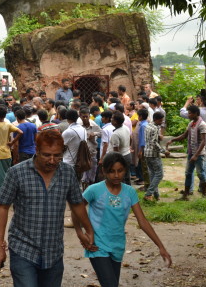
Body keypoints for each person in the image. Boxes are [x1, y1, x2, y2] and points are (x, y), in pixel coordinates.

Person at [0, 130, 95, 287]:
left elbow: (77, 204)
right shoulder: (17, 173)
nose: (52, 160)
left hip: (54, 251)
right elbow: (2, 207)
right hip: (23, 249)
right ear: (37, 150)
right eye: (46, 155)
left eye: (57, 155)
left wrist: (88, 230)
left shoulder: (67, 173)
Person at [73, 152, 172, 287]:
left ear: (125, 170)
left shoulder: (130, 192)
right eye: (111, 171)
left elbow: (142, 221)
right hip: (97, 246)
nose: (116, 175)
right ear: (104, 171)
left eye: (120, 171)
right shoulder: (94, 190)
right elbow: (76, 209)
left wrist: (161, 246)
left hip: (118, 246)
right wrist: (80, 232)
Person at [167, 105, 206, 200]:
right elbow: (184, 135)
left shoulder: (202, 125)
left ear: (196, 113)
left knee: (200, 173)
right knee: (188, 173)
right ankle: (185, 195)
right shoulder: (191, 123)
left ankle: (204, 194)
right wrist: (173, 140)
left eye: (190, 113)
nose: (188, 115)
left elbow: (203, 141)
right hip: (190, 153)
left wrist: (196, 155)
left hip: (199, 154)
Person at [142, 112, 170, 201]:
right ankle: (148, 193)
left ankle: (156, 195)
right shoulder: (154, 128)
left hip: (146, 153)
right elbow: (153, 142)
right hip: (153, 154)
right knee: (159, 174)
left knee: (153, 174)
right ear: (156, 119)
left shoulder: (148, 125)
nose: (161, 122)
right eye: (161, 121)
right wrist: (163, 151)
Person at [109, 111, 132, 185]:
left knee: (121, 178)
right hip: (127, 154)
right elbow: (130, 138)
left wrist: (116, 161)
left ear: (115, 122)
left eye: (112, 118)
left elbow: (116, 151)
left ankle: (123, 193)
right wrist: (128, 147)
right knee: (127, 176)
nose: (110, 120)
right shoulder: (125, 128)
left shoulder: (116, 134)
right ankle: (129, 192)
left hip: (121, 157)